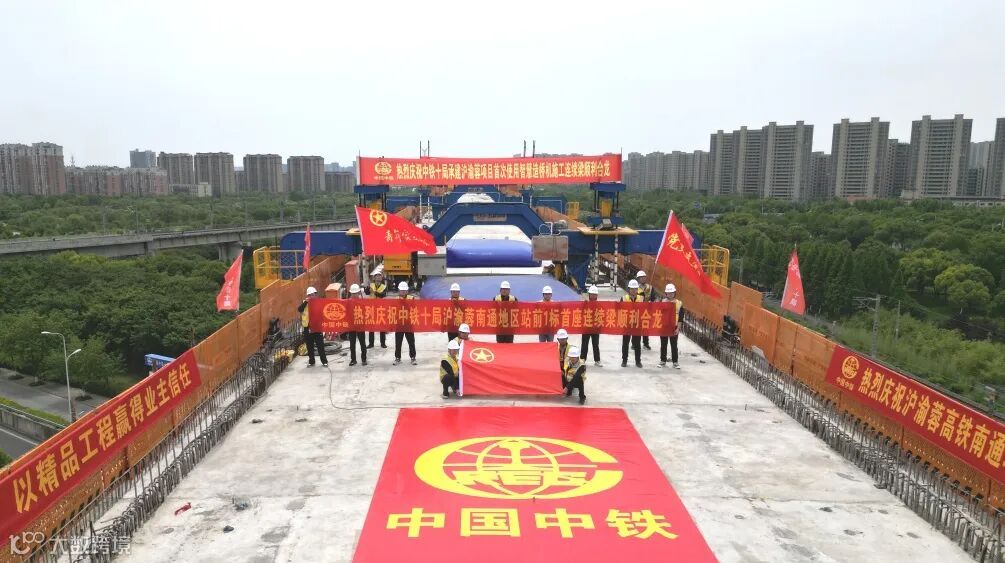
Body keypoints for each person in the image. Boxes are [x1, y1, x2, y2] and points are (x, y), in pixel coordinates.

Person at [298, 286, 328, 367]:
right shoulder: (305, 303)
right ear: (307, 296)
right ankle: (311, 361)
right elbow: (299, 309)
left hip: (317, 327)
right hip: (307, 327)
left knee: (320, 345)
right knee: (309, 346)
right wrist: (306, 302)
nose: (311, 296)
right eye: (309, 295)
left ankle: (324, 361)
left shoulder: (319, 302)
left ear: (316, 295)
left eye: (313, 295)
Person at [660, 283, 685, 369]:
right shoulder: (662, 302)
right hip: (664, 327)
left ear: (674, 293)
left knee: (674, 345)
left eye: (672, 293)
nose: (670, 294)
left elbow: (680, 318)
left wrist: (678, 328)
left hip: (674, 327)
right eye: (668, 293)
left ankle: (675, 362)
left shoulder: (679, 303)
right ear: (666, 293)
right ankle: (663, 361)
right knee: (663, 344)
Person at [393, 281, 417, 365]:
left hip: (408, 323)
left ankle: (413, 357)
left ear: (407, 291)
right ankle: (397, 358)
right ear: (399, 290)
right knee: (398, 342)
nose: (403, 292)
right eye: (401, 290)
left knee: (411, 342)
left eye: (404, 290)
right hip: (399, 323)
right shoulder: (395, 299)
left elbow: (414, 309)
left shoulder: (411, 298)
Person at [621, 279, 643, 368]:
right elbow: (619, 310)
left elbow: (646, 310)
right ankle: (624, 361)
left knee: (637, 343)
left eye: (635, 289)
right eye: (632, 289)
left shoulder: (641, 298)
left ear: (637, 289)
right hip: (627, 324)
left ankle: (638, 361)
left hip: (637, 324)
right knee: (625, 343)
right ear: (629, 289)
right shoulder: (624, 298)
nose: (634, 290)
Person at [364, 271, 388, 349]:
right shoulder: (371, 285)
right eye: (376, 276)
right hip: (371, 308)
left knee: (382, 326)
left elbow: (383, 295)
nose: (378, 277)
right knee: (371, 327)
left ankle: (383, 343)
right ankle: (371, 343)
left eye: (379, 276)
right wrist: (367, 287)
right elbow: (367, 293)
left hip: (380, 308)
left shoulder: (384, 286)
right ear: (374, 278)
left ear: (381, 278)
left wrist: (374, 292)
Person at [580, 285, 602, 366]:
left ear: (597, 295)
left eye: (594, 294)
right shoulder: (585, 303)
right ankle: (582, 359)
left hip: (595, 328)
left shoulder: (599, 304)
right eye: (592, 294)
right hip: (586, 327)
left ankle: (597, 360)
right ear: (589, 295)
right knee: (584, 344)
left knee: (595, 345)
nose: (593, 296)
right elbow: (580, 313)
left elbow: (602, 315)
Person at [347, 284, 367, 366]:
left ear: (358, 292)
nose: (354, 295)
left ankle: (364, 359)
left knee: (362, 343)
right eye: (353, 293)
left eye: (355, 293)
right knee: (352, 344)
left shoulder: (362, 301)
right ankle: (353, 359)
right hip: (351, 325)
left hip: (360, 325)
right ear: (351, 293)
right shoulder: (348, 302)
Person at [636, 271, 655, 350]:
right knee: (636, 328)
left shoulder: (650, 287)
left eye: (644, 277)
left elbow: (653, 298)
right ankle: (635, 343)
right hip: (637, 310)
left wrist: (651, 302)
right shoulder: (635, 287)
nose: (643, 279)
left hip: (647, 311)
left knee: (646, 327)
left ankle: (646, 343)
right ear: (638, 279)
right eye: (641, 278)